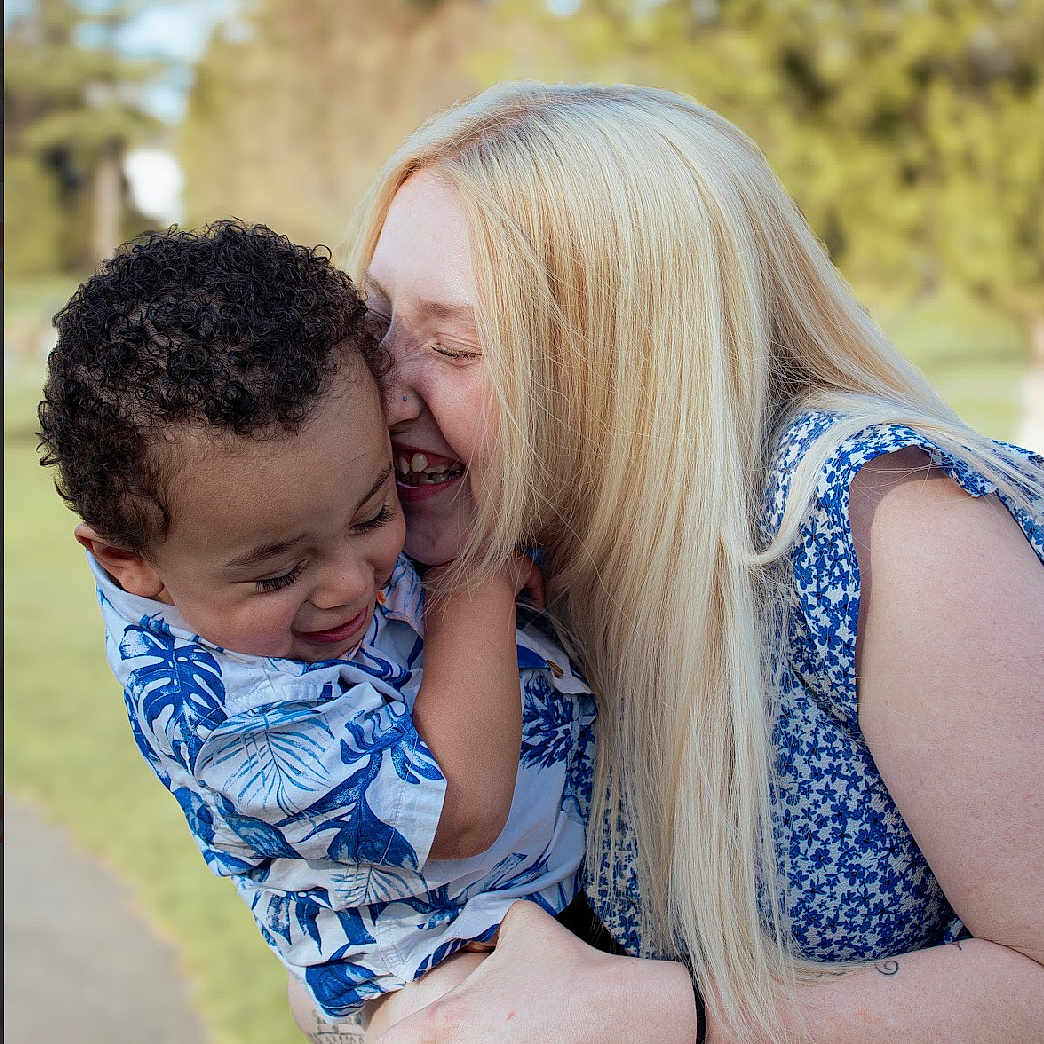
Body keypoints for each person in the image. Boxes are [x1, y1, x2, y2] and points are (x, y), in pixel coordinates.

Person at [313, 82, 1043, 1041]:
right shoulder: (460, 551)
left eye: (452, 344)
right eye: (375, 324)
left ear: (626, 362)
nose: (385, 394)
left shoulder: (890, 530)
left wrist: (667, 1018)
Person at [36, 221, 596, 1031]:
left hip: (552, 902)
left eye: (375, 510)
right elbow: (462, 805)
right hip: (453, 981)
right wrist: (478, 575)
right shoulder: (220, 715)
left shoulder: (279, 515)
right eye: (277, 573)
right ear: (132, 563)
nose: (347, 584)